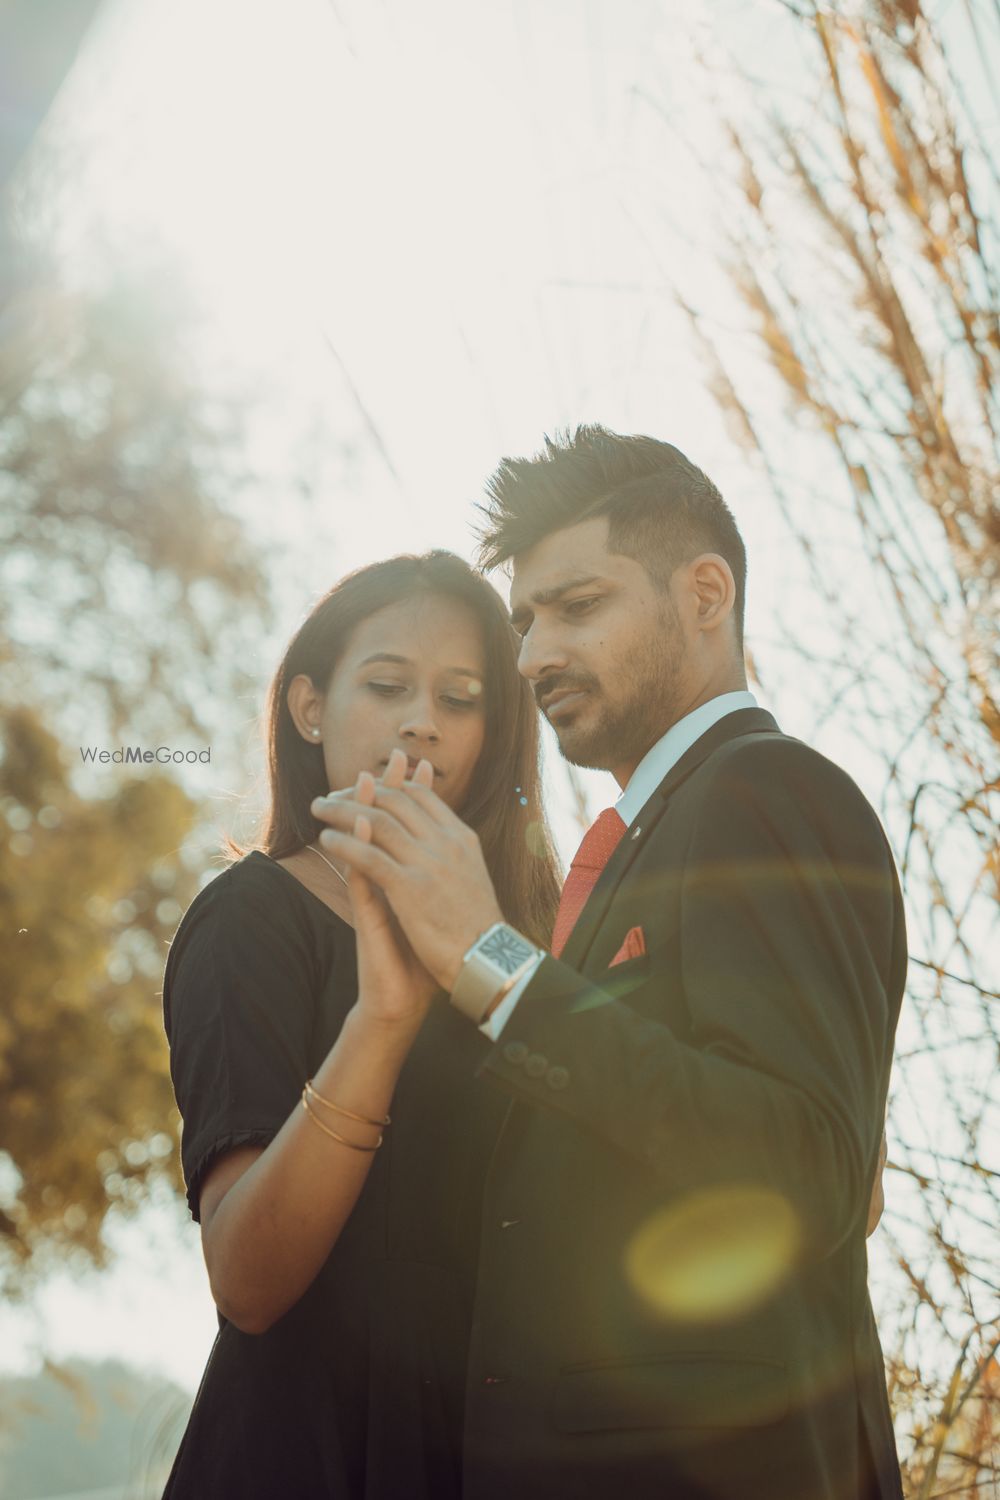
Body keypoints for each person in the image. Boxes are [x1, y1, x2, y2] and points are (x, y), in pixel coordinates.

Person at [312, 427, 907, 1500]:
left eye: (578, 607)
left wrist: (489, 961)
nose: (534, 654)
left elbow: (808, 1168)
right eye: (526, 620)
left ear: (705, 592)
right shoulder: (643, 838)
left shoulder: (767, 792)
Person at [159, 551, 560, 1499]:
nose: (424, 718)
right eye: (387, 685)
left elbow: (573, 1048)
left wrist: (485, 945)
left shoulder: (522, 937)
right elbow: (247, 1284)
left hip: (493, 1449)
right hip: (306, 1453)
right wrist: (382, 1019)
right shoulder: (248, 918)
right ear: (309, 708)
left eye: (462, 698)